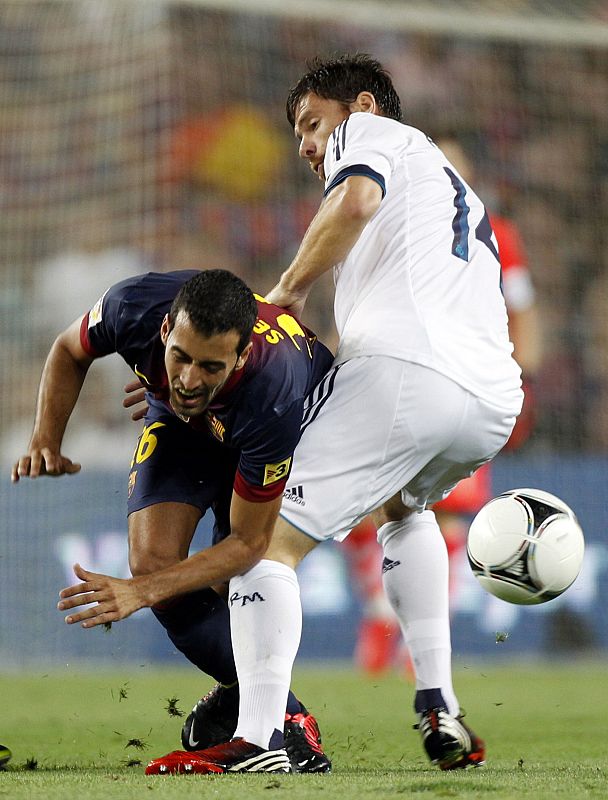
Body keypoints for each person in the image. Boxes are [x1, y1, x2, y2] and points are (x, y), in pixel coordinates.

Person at [51, 54, 523, 777]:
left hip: (409, 374)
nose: (306, 144)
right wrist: (198, 383)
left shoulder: (372, 134)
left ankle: (264, 734)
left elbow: (355, 202)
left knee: (261, 544)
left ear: (361, 104)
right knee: (403, 509)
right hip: (488, 398)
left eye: (310, 123)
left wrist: (284, 293)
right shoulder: (447, 188)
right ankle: (439, 698)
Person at [11, 268, 334, 774]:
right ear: (164, 330)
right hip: (187, 426)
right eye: (179, 357)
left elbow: (250, 543)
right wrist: (45, 439)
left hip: (286, 433)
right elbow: (68, 349)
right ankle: (288, 719)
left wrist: (143, 594)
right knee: (152, 561)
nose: (188, 378)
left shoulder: (275, 392)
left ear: (241, 356)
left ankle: (257, 717)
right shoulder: (132, 307)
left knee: (242, 582)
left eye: (210, 366)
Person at [343, 133, 543, 674]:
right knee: (361, 504)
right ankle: (383, 613)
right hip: (394, 377)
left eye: (457, 164)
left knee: (449, 514)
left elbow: (520, 307)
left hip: (465, 382)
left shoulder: (497, 234)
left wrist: (519, 377)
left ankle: (419, 641)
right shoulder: (391, 222)